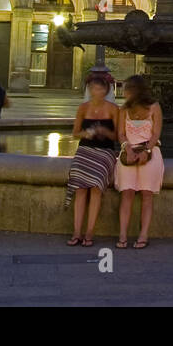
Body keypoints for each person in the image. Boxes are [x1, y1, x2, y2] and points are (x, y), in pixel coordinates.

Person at [65, 69, 119, 246]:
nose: (96, 92)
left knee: (96, 187)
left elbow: (118, 136)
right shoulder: (83, 108)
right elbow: (75, 133)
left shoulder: (113, 109)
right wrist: (85, 134)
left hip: (105, 152)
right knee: (80, 189)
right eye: (93, 88)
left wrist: (105, 131)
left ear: (106, 90)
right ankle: (76, 232)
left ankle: (89, 233)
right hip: (85, 150)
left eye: (99, 89)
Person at [115, 75, 163, 248]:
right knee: (126, 193)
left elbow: (156, 134)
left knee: (146, 194)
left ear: (136, 91)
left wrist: (147, 150)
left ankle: (143, 235)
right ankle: (122, 235)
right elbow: (120, 134)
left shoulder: (154, 107)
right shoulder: (123, 109)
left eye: (127, 89)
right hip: (128, 153)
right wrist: (127, 148)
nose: (124, 92)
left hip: (149, 152)